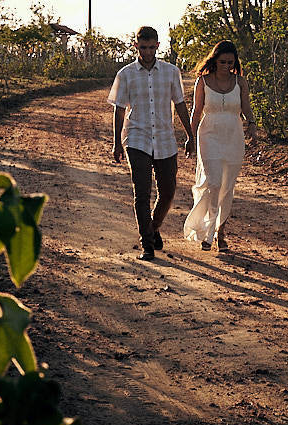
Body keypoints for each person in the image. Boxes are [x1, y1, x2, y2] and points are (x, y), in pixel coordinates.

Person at [108, 26, 194, 261]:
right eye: (142, 47)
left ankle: (154, 227)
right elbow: (119, 110)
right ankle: (146, 243)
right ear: (136, 46)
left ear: (157, 45)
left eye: (150, 47)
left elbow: (180, 104)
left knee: (168, 192)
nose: (146, 52)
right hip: (136, 138)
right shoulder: (125, 74)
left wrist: (190, 134)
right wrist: (117, 142)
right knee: (141, 193)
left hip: (165, 138)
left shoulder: (171, 72)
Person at [183, 40, 258, 252]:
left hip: (233, 137)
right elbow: (196, 111)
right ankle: (207, 233)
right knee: (213, 183)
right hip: (209, 136)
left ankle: (220, 232)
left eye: (231, 62)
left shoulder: (240, 82)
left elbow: (246, 108)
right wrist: (190, 135)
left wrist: (252, 125)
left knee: (226, 187)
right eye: (223, 61)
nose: (227, 66)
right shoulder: (203, 82)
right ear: (214, 60)